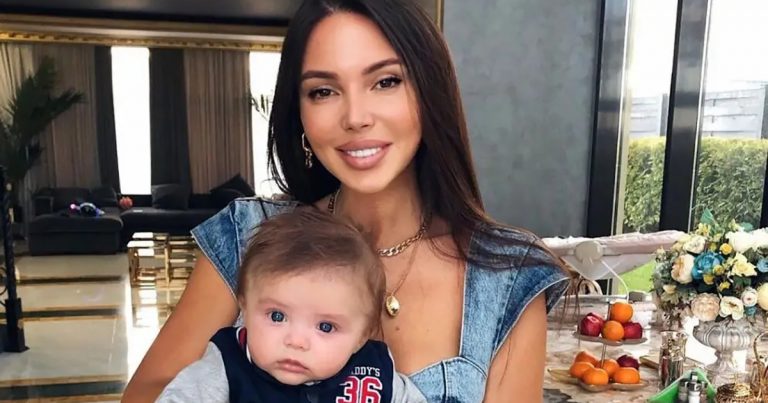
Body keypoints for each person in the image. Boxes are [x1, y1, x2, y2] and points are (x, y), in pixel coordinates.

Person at [124, 0, 572, 401]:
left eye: (386, 81)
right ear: (300, 112)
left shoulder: (509, 275)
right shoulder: (249, 234)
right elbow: (147, 393)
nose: (355, 117)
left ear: (429, 91)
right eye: (323, 91)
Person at [156, 208, 426, 402]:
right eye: (276, 316)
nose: (296, 342)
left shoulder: (375, 372)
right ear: (244, 308)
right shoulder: (228, 365)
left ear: (362, 336)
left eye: (325, 327)